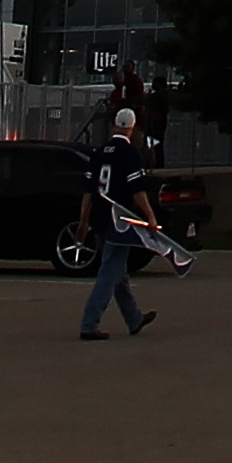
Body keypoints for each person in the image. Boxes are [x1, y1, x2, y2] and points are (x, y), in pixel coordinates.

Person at [80, 107, 161, 341]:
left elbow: (88, 191)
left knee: (118, 272)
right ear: (132, 127)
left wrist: (83, 221)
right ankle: (89, 323)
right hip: (119, 221)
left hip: (99, 219)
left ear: (115, 125)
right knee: (109, 272)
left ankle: (134, 318)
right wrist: (150, 217)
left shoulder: (99, 153)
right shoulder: (130, 154)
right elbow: (137, 190)